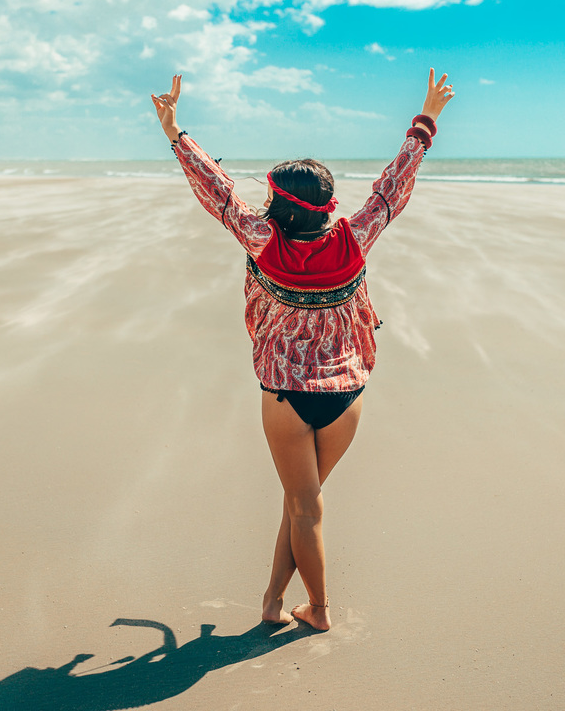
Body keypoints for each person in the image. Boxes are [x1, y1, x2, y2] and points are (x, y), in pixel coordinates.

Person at [150, 69, 454, 631]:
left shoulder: (261, 239)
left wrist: (176, 133)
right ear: (323, 205)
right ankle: (271, 602)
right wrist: (424, 121)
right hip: (345, 396)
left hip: (286, 396)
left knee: (304, 506)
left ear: (281, 206)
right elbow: (393, 189)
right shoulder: (355, 238)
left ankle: (318, 610)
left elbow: (216, 192)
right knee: (301, 504)